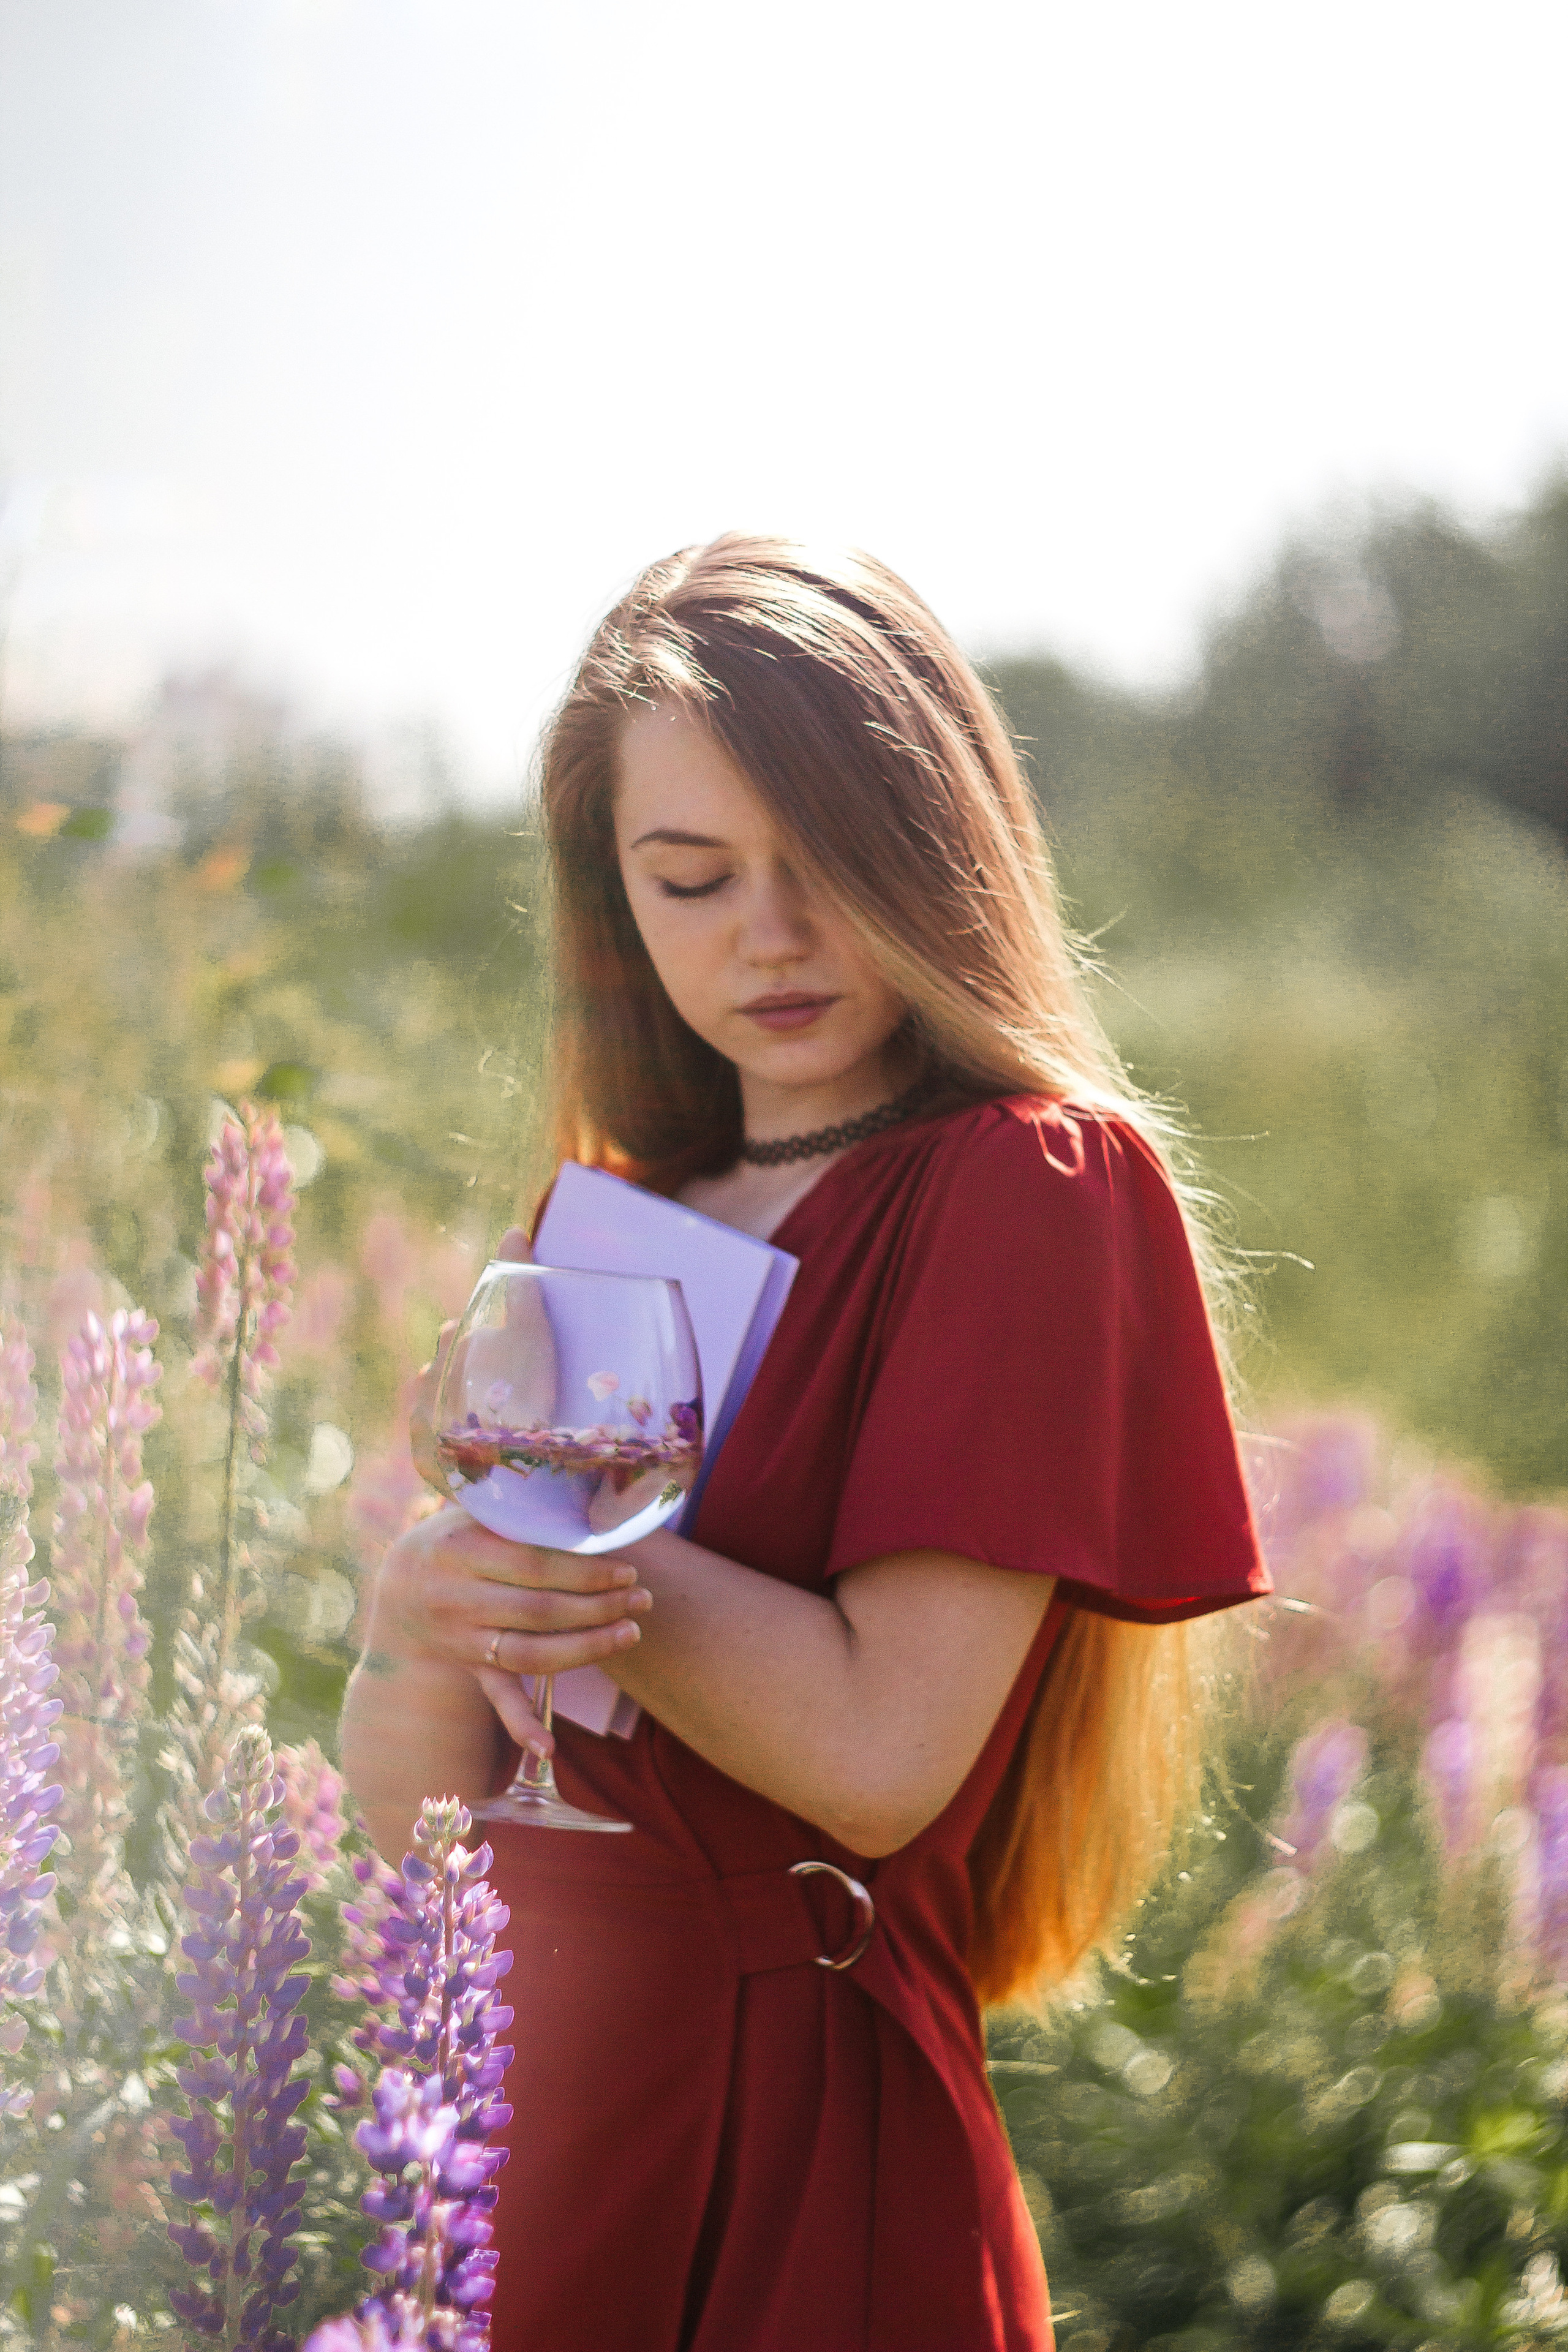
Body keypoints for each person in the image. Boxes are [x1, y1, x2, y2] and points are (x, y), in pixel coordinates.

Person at [340, 536, 1270, 2352]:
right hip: (529, 2115)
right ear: (614, 898)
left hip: (794, 2133)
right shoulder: (615, 1206)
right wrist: (422, 1607)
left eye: (826, 864)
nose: (765, 933)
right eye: (688, 879)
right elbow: (438, 1821)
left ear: (942, 852)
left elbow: (872, 1756)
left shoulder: (1024, 1185)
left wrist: (576, 1538)